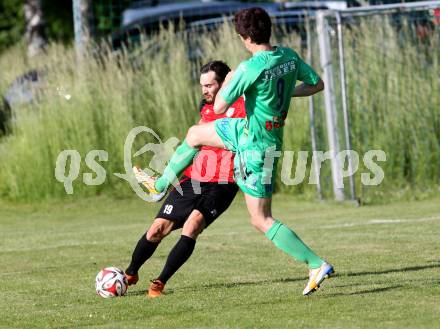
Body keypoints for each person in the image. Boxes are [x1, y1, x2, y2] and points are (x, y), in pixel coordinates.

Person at [136, 7, 334, 296]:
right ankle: (160, 184)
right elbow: (317, 84)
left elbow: (217, 108)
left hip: (251, 143)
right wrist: (284, 91)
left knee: (261, 218)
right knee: (194, 135)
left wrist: (230, 83)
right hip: (263, 137)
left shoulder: (249, 68)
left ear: (245, 37)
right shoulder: (289, 57)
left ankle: (316, 264)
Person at [125, 61, 246, 298]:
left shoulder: (244, 105)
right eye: (202, 85)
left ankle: (159, 282)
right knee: (157, 229)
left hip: (224, 182)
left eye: (210, 85)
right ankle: (130, 273)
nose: (205, 90)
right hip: (195, 178)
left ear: (224, 84)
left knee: (192, 225)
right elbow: (191, 147)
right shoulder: (207, 109)